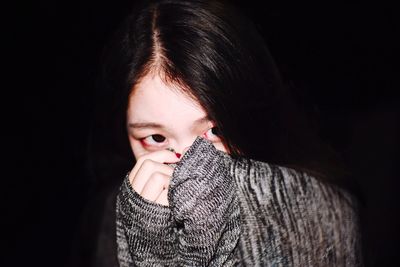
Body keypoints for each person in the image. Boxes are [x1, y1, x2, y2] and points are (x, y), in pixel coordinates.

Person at [73, 0, 363, 266]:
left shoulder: (320, 214)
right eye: (157, 139)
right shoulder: (113, 218)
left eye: (215, 130)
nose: (188, 165)